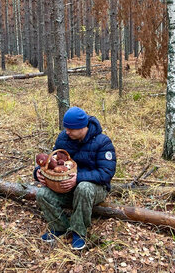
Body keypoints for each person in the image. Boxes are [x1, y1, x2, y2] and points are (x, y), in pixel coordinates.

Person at [33, 106, 116, 250]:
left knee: (83, 187)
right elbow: (52, 160)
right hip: (66, 187)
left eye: (71, 129)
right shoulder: (63, 138)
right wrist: (39, 172)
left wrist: (77, 178)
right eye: (66, 128)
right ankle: (60, 227)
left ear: (82, 127)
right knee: (42, 194)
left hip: (94, 188)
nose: (67, 131)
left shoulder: (103, 142)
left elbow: (106, 173)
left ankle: (78, 231)